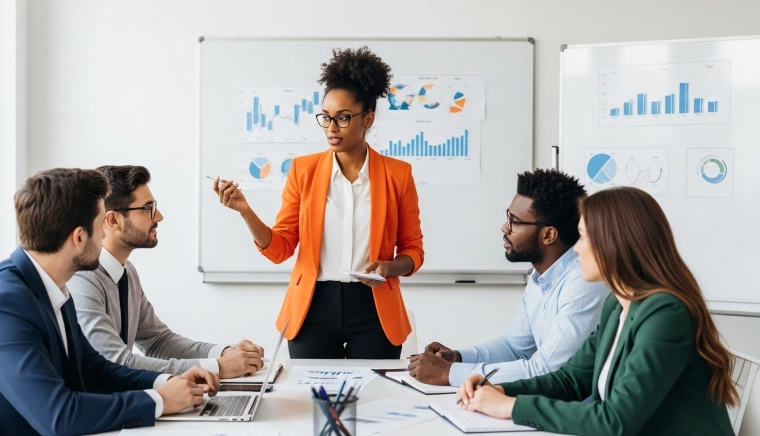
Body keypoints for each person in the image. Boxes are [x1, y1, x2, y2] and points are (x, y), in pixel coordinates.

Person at [457, 187, 736, 435]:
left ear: (613, 244)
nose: (575, 249)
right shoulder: (618, 305)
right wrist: (500, 390)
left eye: (581, 238)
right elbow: (571, 380)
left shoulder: (666, 314)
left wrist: (511, 407)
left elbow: (616, 420)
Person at [0, 168, 218, 435]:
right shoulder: (1, 308)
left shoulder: (52, 284)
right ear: (79, 237)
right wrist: (161, 400)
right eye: (99, 228)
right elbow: (59, 415)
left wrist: (167, 382)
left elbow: (93, 369)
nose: (105, 236)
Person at [212, 46, 424, 359]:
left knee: (370, 402)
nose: (331, 128)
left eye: (343, 118)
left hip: (374, 308)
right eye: (325, 117)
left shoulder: (398, 174)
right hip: (312, 306)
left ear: (368, 119)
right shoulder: (303, 170)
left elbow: (413, 250)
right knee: (313, 401)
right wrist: (245, 211)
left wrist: (389, 266)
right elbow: (281, 248)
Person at [408, 169, 610, 386]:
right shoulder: (541, 275)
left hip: (576, 411)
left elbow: (547, 370)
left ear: (548, 235)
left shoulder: (583, 282)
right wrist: (458, 358)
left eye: (515, 222)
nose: (505, 227)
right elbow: (514, 347)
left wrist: (450, 374)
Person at [68, 165, 265, 378]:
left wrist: (224, 353)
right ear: (114, 220)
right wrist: (219, 367)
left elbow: (157, 341)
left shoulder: (127, 272)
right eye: (148, 208)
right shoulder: (82, 278)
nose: (158, 216)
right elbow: (117, 363)